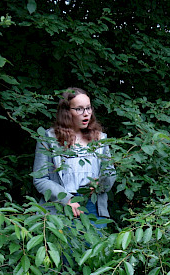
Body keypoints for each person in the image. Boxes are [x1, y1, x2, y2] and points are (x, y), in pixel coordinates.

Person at [32, 87, 116, 225]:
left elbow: (110, 172)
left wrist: (99, 184)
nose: (86, 114)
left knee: (95, 246)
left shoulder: (100, 139)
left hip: (93, 205)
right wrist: (67, 200)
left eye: (89, 108)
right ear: (66, 112)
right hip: (59, 207)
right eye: (79, 109)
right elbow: (40, 178)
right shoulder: (49, 138)